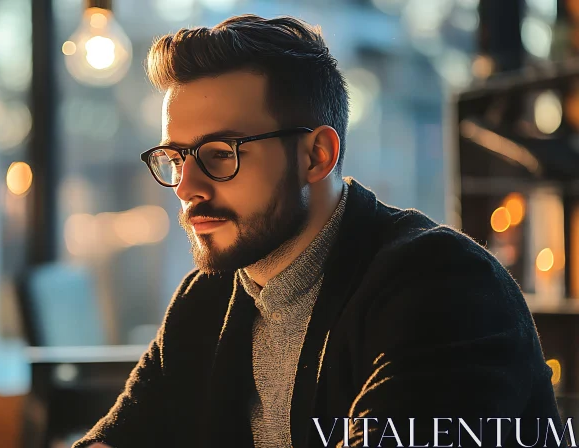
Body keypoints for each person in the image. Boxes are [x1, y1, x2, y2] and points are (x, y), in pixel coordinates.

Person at [73, 14, 562, 448]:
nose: (186, 188)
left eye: (220, 154)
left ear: (317, 156)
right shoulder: (207, 299)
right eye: (177, 158)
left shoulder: (444, 285)